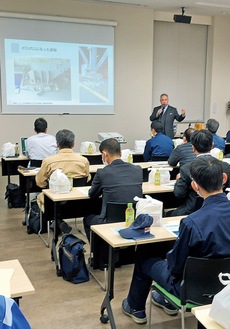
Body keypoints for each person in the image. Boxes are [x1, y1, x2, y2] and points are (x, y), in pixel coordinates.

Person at [122, 156, 230, 325]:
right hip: (226, 288)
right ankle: (164, 300)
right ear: (224, 178)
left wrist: (169, 256)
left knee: (145, 256)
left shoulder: (192, 222)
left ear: (194, 186)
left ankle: (135, 307)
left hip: (192, 290)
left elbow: (176, 267)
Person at [83, 138, 143, 242]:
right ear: (120, 153)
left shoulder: (102, 172)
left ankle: (95, 254)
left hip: (108, 220)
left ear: (104, 154)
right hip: (134, 218)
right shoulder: (137, 169)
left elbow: (92, 194)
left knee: (87, 219)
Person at [36, 129, 91, 231]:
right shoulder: (83, 160)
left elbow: (40, 182)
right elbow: (87, 178)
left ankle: (56, 222)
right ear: (73, 144)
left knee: (39, 197)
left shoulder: (48, 161)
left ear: (57, 144)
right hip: (79, 204)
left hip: (55, 203)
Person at [168, 129, 230, 217]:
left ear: (193, 147)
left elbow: (179, 193)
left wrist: (179, 180)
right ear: (212, 145)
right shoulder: (225, 166)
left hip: (192, 211)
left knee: (169, 214)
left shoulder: (186, 168)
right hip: (221, 211)